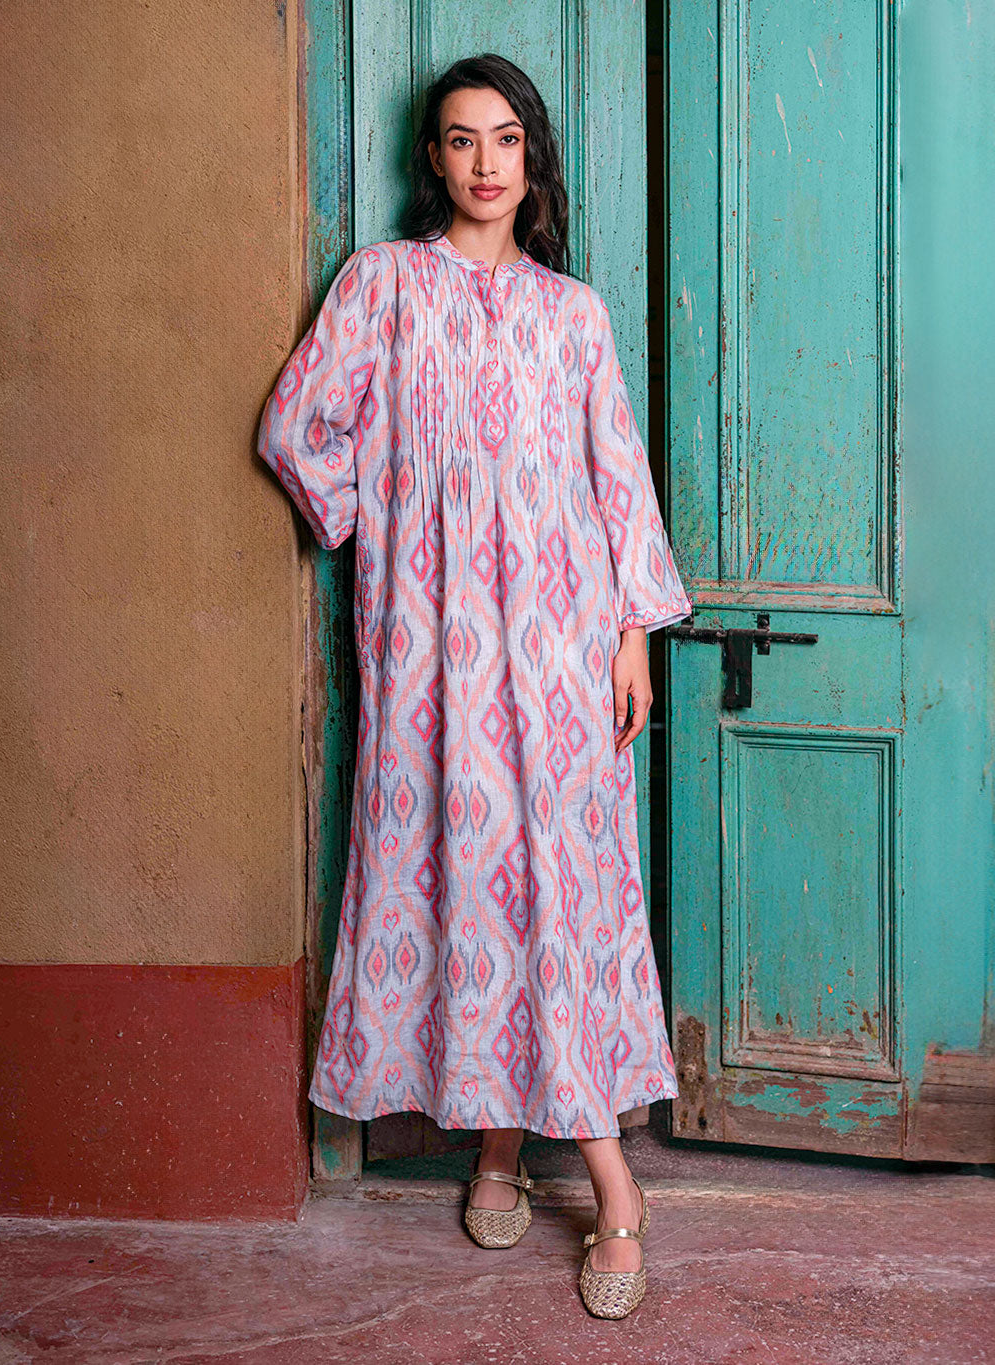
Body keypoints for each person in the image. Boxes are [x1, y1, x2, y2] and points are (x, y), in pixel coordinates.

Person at [257, 52, 693, 1320]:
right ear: (432, 158)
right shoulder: (380, 289)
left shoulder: (574, 315)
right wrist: (374, 526)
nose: (487, 163)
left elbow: (620, 484)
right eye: (462, 141)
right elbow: (296, 429)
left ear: (532, 159)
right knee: (465, 888)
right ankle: (499, 1146)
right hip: (432, 667)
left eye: (507, 140)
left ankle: (611, 1186)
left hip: (559, 663)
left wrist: (631, 637)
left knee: (554, 895)